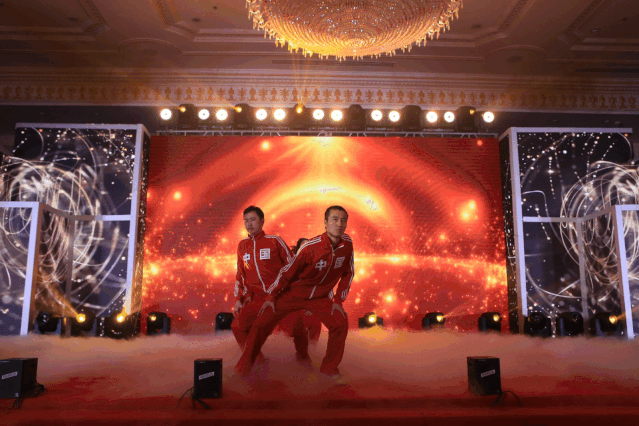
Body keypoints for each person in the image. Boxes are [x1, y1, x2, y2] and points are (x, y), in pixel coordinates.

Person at [234, 206, 354, 379]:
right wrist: (271, 297)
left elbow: (348, 273)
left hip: (318, 298)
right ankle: (242, 370)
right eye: (334, 219)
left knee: (340, 322)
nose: (339, 224)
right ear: (325, 223)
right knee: (260, 324)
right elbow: (287, 272)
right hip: (293, 294)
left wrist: (337, 301)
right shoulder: (311, 247)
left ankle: (328, 370)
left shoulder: (347, 244)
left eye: (343, 220)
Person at [231, 206, 311, 366]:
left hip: (281, 297)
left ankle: (303, 358)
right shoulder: (242, 246)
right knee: (238, 326)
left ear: (262, 221)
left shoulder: (275, 241)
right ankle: (259, 361)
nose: (249, 224)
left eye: (253, 219)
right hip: (258, 299)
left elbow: (292, 267)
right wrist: (239, 298)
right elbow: (240, 274)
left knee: (297, 329)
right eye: (246, 221)